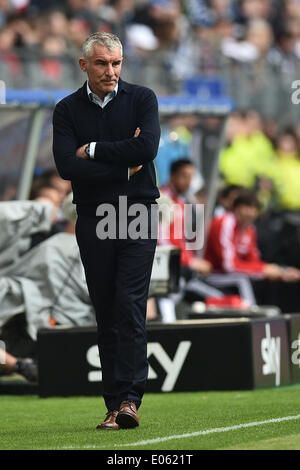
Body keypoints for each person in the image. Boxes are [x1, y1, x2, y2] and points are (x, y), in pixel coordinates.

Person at [52, 32, 160, 430]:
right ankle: (113, 405)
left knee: (130, 304)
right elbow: (66, 166)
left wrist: (93, 150)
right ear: (84, 65)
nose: (111, 71)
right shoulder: (66, 110)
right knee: (107, 310)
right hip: (94, 215)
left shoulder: (143, 98)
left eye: (116, 63)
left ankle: (130, 400)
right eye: (102, 64)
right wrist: (120, 164)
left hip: (138, 214)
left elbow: (146, 149)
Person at [204, 191, 300, 305]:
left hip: (232, 276)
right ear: (236, 209)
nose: (250, 213)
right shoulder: (225, 223)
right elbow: (228, 266)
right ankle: (252, 314)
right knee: (243, 280)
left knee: (271, 280)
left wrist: (281, 271)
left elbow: (253, 261)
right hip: (212, 275)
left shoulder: (250, 229)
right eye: (247, 208)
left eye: (254, 210)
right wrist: (264, 270)